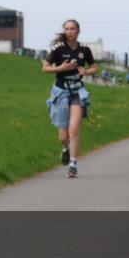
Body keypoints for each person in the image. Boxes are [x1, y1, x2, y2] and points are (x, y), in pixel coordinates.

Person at [43, 19, 98, 178]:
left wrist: (85, 71)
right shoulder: (58, 49)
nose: (69, 31)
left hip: (77, 91)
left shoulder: (84, 50)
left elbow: (94, 67)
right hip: (61, 91)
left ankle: (73, 164)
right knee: (63, 135)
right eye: (67, 29)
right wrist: (60, 68)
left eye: (72, 28)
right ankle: (65, 149)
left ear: (78, 31)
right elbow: (44, 68)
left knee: (74, 129)